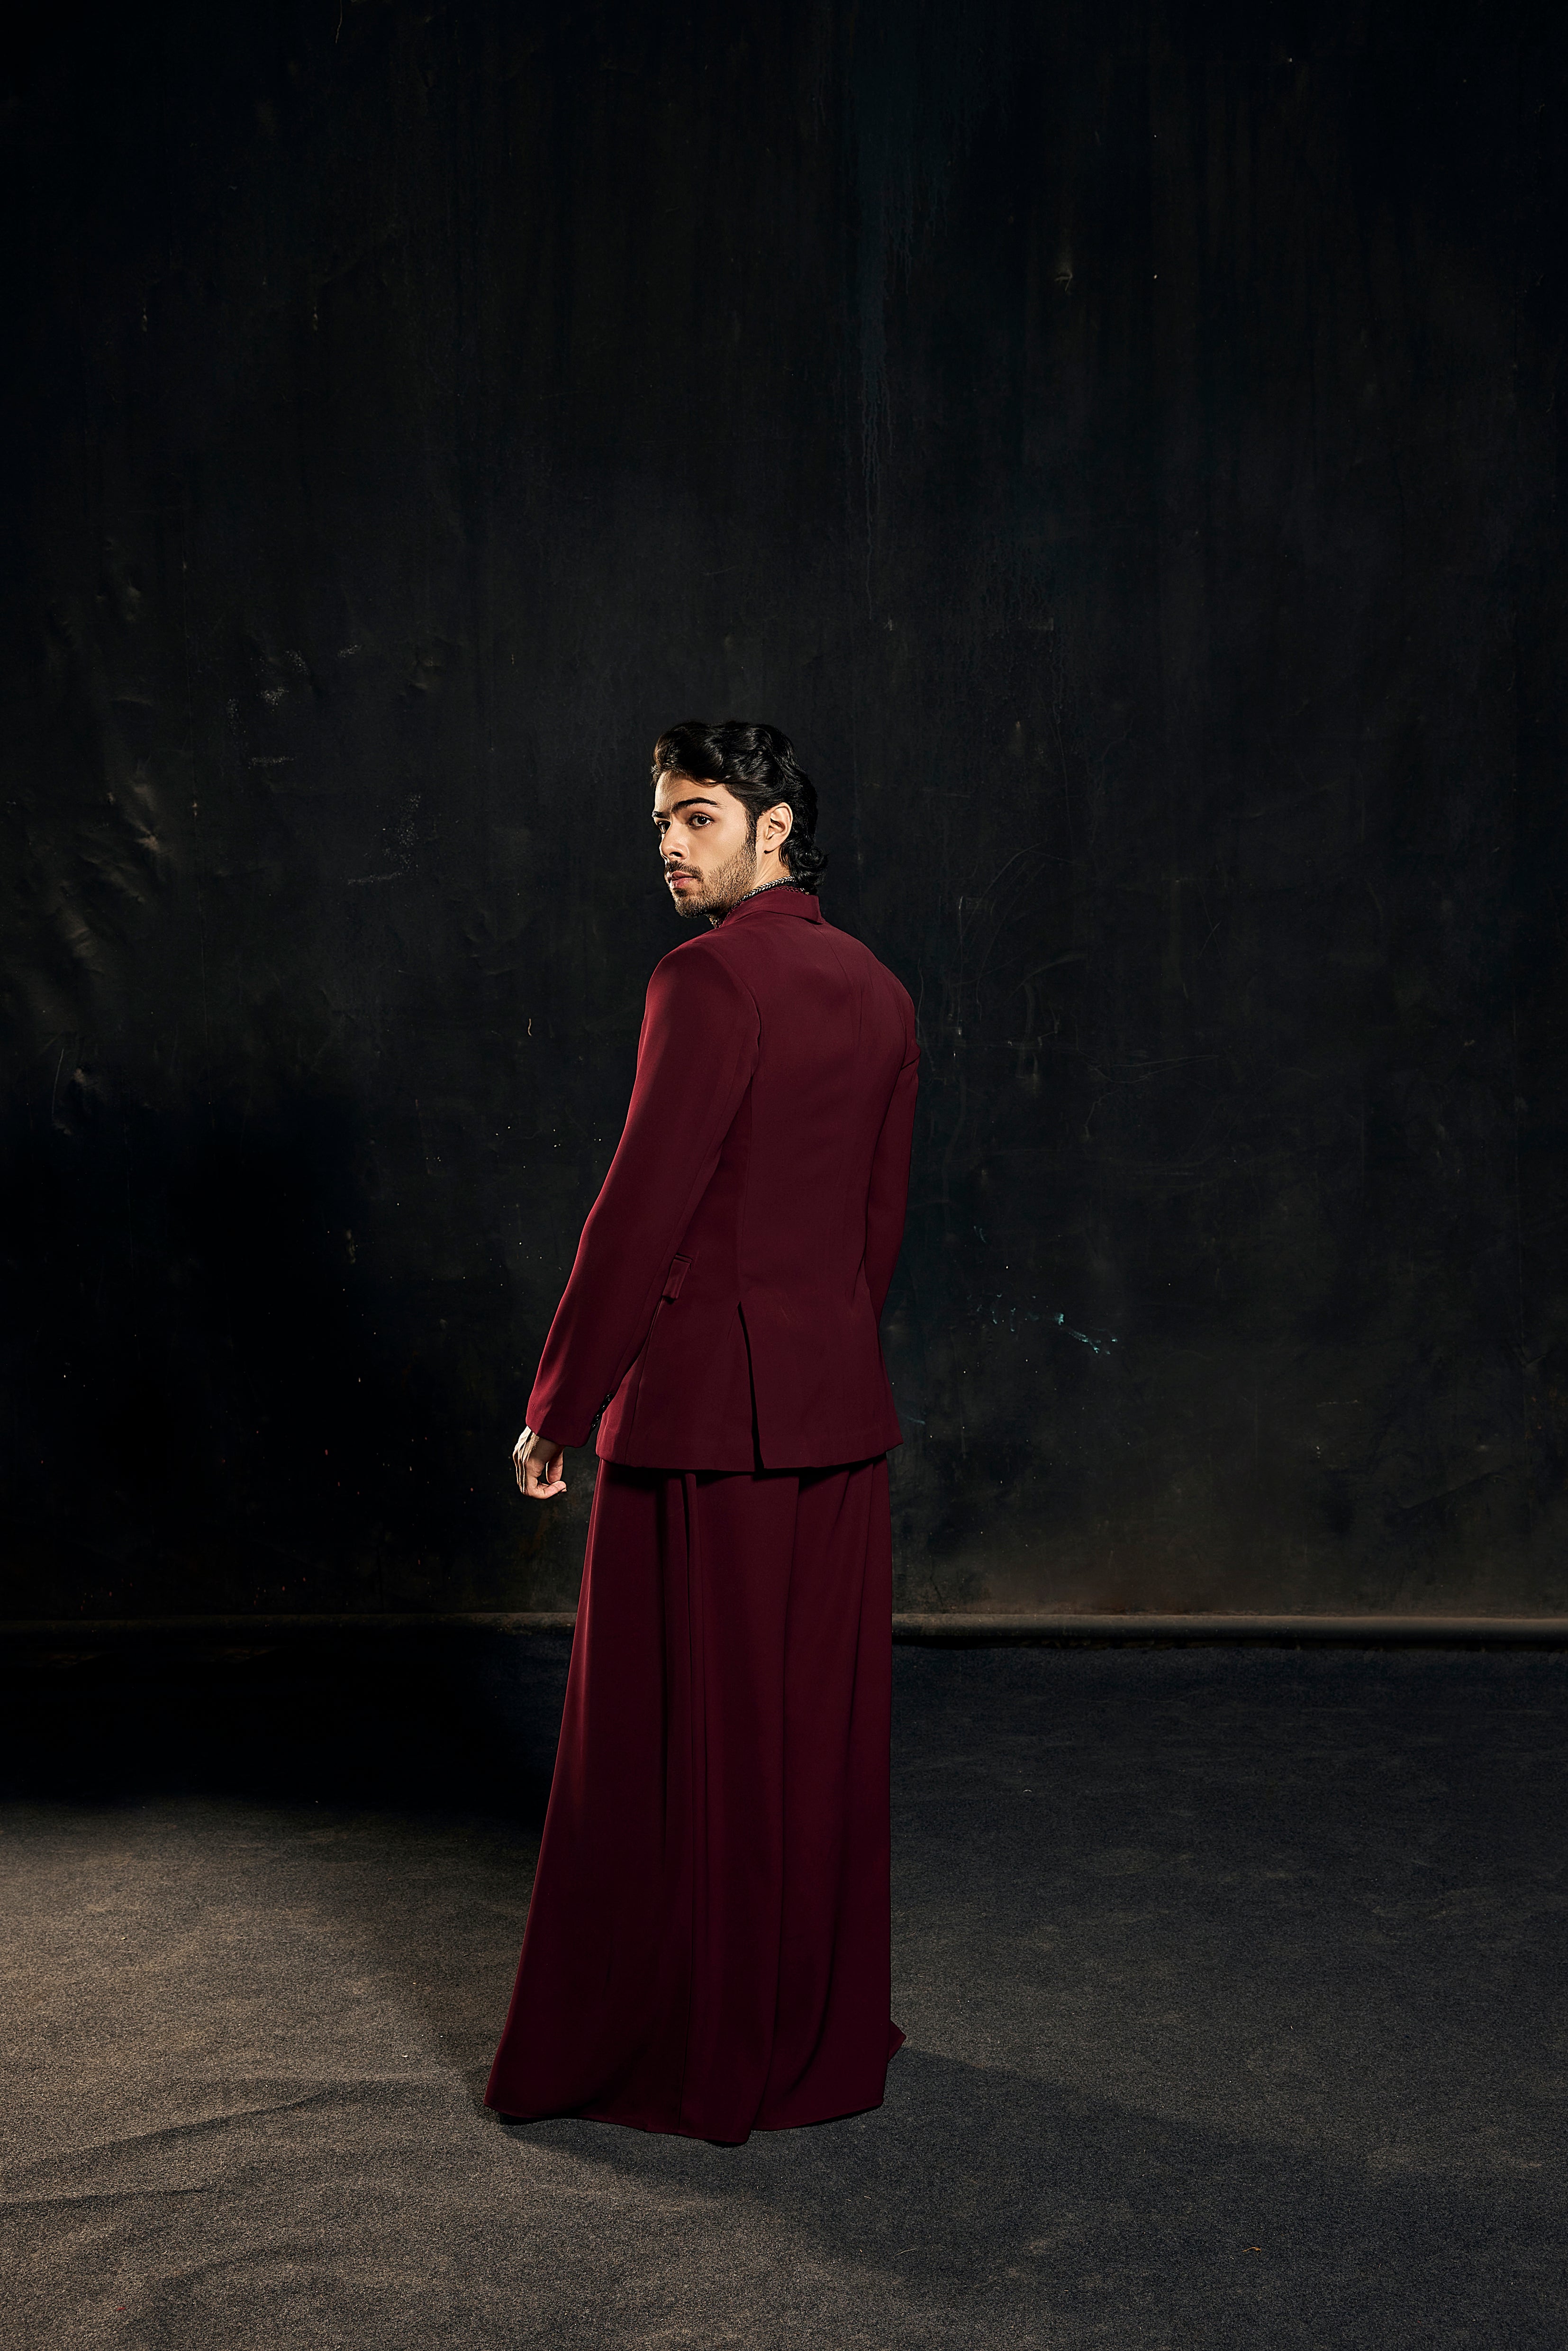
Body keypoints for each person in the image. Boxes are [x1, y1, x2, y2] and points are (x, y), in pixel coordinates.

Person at [485, 719, 918, 2143]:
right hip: (834, 1418)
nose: (670, 845)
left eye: (699, 816)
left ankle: (694, 2044)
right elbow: (876, 1231)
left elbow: (639, 1211)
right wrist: (815, 1358)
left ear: (775, 826)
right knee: (805, 1745)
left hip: (698, 1429)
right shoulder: (880, 990)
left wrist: (561, 1403)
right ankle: (805, 2037)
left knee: (671, 1749)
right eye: (662, 820)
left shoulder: (707, 979)